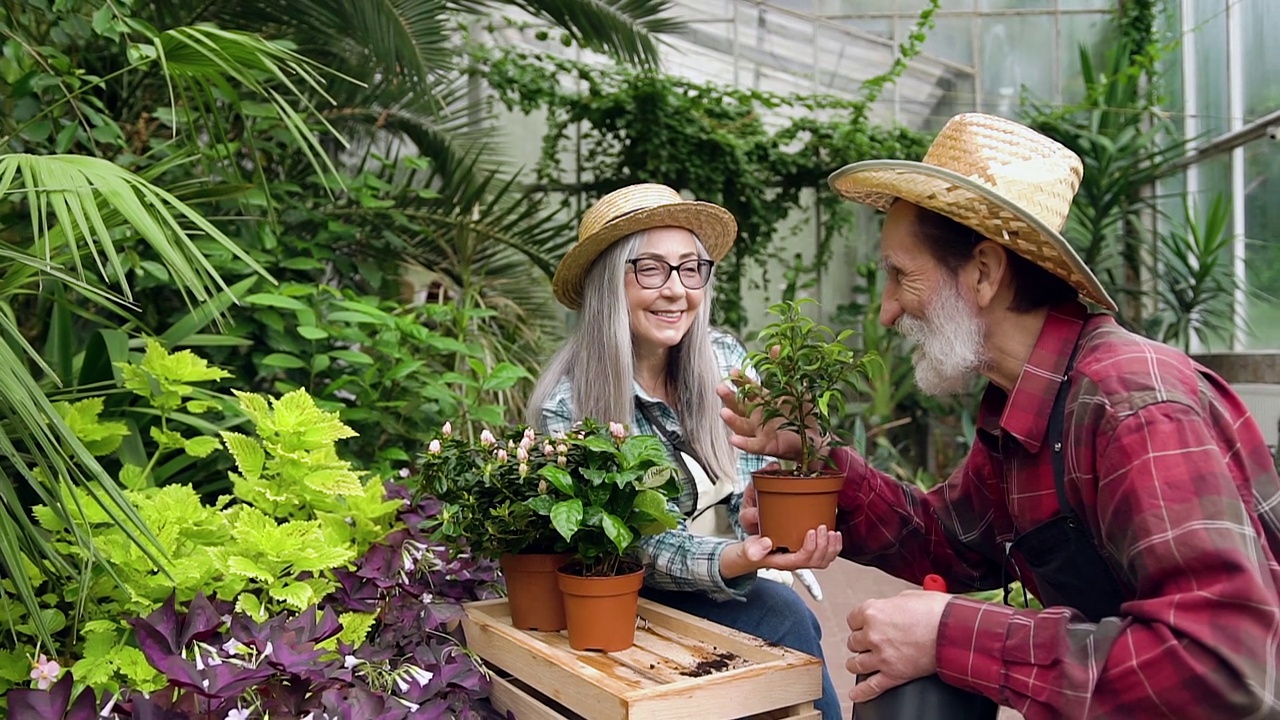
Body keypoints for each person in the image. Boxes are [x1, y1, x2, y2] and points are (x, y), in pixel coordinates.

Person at [718, 113, 1280, 719]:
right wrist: (818, 461)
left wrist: (951, 634)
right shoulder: (1031, 404)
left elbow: (1224, 663)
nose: (886, 312)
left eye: (901, 276)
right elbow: (946, 541)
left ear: (983, 273)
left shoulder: (1131, 405)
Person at [528, 183, 844, 719]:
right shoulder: (571, 406)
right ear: (609, 283)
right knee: (784, 616)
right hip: (629, 595)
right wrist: (735, 561)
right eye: (649, 269)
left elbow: (753, 478)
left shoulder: (723, 359)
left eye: (690, 268)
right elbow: (633, 549)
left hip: (734, 575)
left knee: (783, 615)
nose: (676, 290)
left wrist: (773, 535)